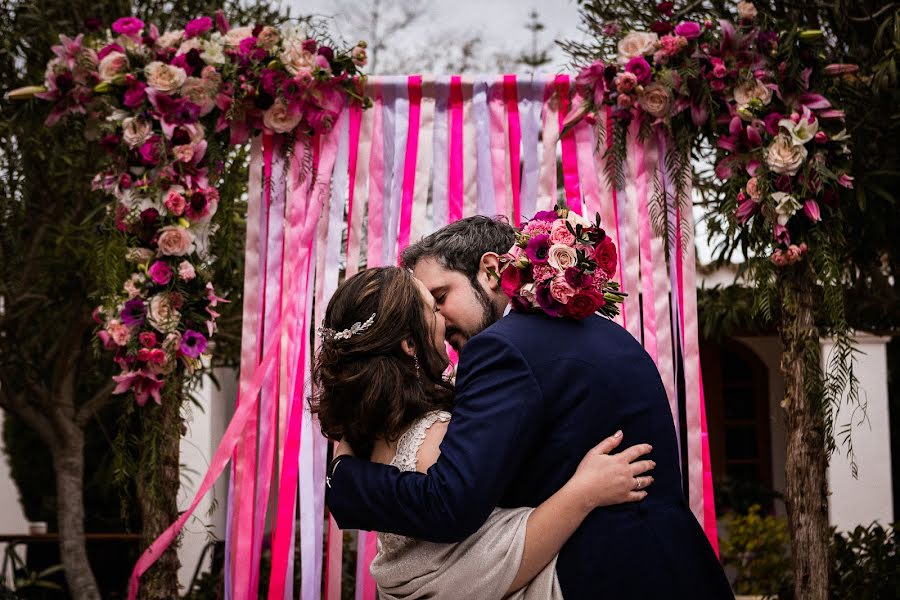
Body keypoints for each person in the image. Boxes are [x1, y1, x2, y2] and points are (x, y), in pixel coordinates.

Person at [326, 215, 734, 599]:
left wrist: (344, 481)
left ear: (489, 271)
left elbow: (450, 503)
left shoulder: (500, 349)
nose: (439, 318)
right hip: (667, 558)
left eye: (440, 297)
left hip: (614, 571)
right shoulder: (589, 331)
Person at [311, 266, 656, 598]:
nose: (444, 321)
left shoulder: (364, 434)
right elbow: (492, 567)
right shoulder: (435, 434)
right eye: (433, 309)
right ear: (409, 345)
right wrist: (585, 491)